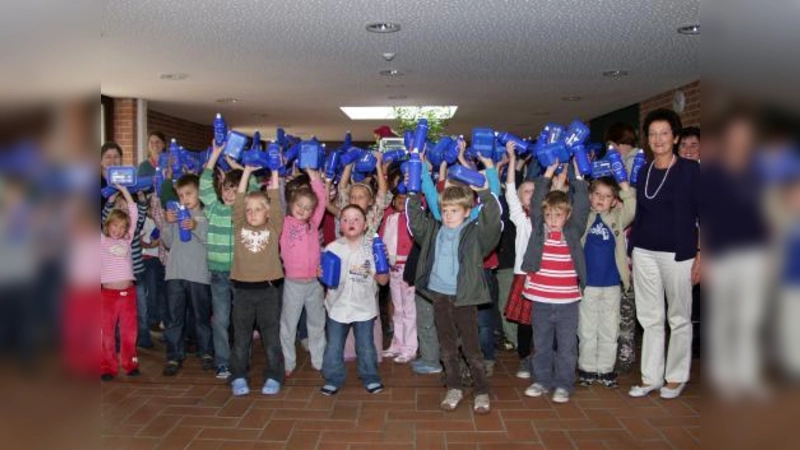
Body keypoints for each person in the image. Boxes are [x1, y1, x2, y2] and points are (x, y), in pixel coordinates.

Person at [407, 182, 502, 414]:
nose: (449, 216)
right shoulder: (433, 230)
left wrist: (486, 194)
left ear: (467, 211)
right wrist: (412, 194)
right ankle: (454, 387)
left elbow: (492, 225)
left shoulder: (474, 234)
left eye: (455, 211)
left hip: (464, 298)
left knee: (472, 348)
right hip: (439, 296)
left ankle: (481, 391)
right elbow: (416, 221)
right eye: (445, 210)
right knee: (447, 347)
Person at [628, 108, 700, 400]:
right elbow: (641, 215)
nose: (658, 139)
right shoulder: (644, 170)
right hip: (644, 251)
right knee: (649, 317)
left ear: (675, 137)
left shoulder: (691, 170)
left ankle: (676, 377)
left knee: (679, 316)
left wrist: (701, 253)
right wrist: (632, 251)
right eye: (653, 134)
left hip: (678, 253)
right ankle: (650, 377)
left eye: (664, 133)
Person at [520, 160, 589, 404]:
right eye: (548, 215)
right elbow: (539, 197)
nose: (551, 219)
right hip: (541, 300)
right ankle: (541, 381)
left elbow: (582, 206)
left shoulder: (573, 230)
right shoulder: (539, 228)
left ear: (567, 216)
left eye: (557, 215)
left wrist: (579, 179)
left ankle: (563, 384)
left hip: (567, 301)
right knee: (541, 344)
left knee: (567, 347)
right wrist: (547, 173)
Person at [319, 205, 389, 396]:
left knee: (366, 345)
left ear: (365, 225)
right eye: (346, 219)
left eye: (356, 219)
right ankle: (333, 377)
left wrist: (383, 266)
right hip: (337, 306)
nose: (351, 222)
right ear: (339, 225)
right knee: (333, 345)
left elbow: (383, 281)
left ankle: (370, 377)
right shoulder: (332, 248)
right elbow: (325, 278)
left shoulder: (372, 248)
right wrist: (321, 273)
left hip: (364, 306)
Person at [199, 142, 254, 379]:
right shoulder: (213, 210)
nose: (230, 194)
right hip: (219, 274)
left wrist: (239, 167)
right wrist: (215, 155)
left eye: (234, 189)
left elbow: (252, 187)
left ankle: (242, 360)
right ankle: (222, 362)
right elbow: (203, 186)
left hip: (241, 274)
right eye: (226, 189)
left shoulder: (244, 210)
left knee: (242, 321)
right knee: (220, 320)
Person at [229, 166, 285, 396]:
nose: (252, 213)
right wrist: (246, 173)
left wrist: (274, 172)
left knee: (271, 338)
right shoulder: (240, 225)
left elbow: (275, 198)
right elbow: (239, 202)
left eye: (258, 209)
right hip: (242, 292)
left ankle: (274, 375)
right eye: (249, 210)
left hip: (268, 292)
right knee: (241, 339)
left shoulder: (273, 227)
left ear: (268, 212)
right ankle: (238, 376)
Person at [577, 176, 636, 389]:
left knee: (610, 329)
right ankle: (587, 368)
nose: (601, 199)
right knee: (587, 329)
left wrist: (623, 183)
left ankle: (606, 369)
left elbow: (632, 205)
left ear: (614, 201)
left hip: (611, 284)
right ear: (590, 197)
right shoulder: (583, 218)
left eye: (607, 196)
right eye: (597, 195)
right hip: (588, 285)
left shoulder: (618, 218)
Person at [160, 174, 213, 376]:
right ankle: (174, 355)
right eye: (181, 195)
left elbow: (211, 240)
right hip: (175, 273)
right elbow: (167, 242)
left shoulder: (206, 214)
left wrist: (196, 226)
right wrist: (167, 223)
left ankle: (206, 351)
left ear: (199, 192)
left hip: (199, 274)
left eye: (189, 193)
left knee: (201, 317)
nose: (185, 199)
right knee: (174, 318)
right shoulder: (176, 213)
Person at [280, 168, 327, 376]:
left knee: (317, 323)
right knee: (289, 324)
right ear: (291, 205)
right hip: (293, 283)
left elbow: (322, 202)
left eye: (308, 208)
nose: (303, 210)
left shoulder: (313, 225)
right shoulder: (284, 224)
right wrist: (279, 178)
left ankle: (319, 359)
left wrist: (315, 178)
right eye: (299, 205)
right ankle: (288, 362)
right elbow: (277, 201)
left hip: (314, 283)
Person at [503, 142, 535, 379]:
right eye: (527, 192)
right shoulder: (520, 219)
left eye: (536, 191)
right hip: (525, 275)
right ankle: (525, 359)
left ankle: (545, 359)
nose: (531, 195)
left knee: (546, 322)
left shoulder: (550, 217)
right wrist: (512, 158)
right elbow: (510, 188)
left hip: (548, 276)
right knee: (526, 322)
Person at [100, 184, 140, 381]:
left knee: (129, 332)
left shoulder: (127, 239)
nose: (118, 230)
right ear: (107, 226)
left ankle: (130, 363)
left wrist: (125, 190)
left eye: (122, 227)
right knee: (106, 332)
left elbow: (133, 211)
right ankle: (107, 366)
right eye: (114, 225)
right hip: (107, 296)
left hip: (128, 294)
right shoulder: (100, 241)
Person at [380, 189, 417, 363]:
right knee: (397, 309)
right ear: (393, 201)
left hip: (408, 270)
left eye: (406, 197)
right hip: (393, 269)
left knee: (409, 310)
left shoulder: (413, 218)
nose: (402, 200)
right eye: (398, 198)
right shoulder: (388, 218)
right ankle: (398, 343)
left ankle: (410, 347)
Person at [100, 142, 123, 210]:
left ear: (121, 160)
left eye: (116, 157)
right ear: (100, 161)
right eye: (108, 157)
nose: (112, 161)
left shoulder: (126, 181)